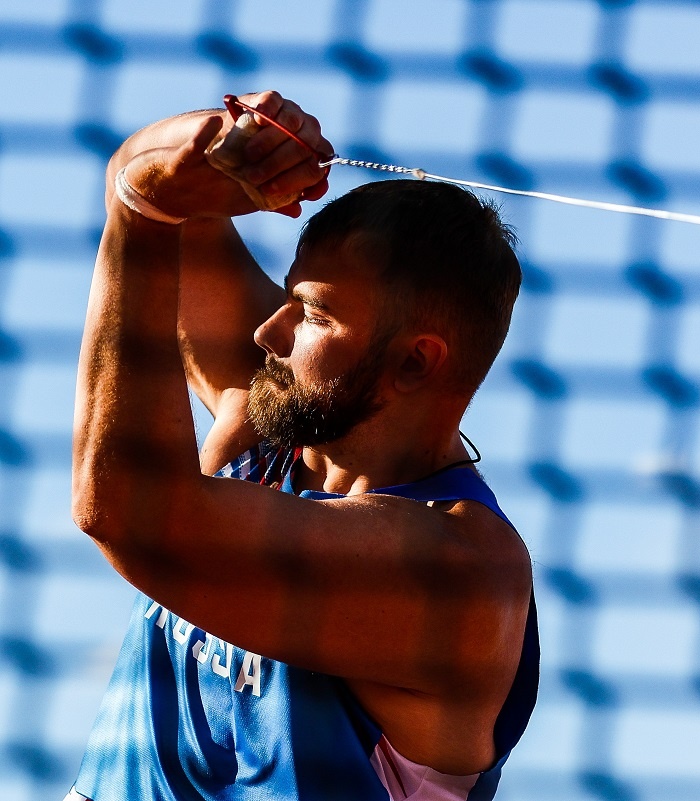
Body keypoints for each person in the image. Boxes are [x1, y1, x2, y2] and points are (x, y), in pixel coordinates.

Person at [66, 91, 538, 801]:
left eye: (312, 312)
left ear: (414, 362)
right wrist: (223, 142)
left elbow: (129, 514)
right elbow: (139, 177)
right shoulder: (271, 418)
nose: (268, 332)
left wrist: (145, 212)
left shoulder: (461, 576)